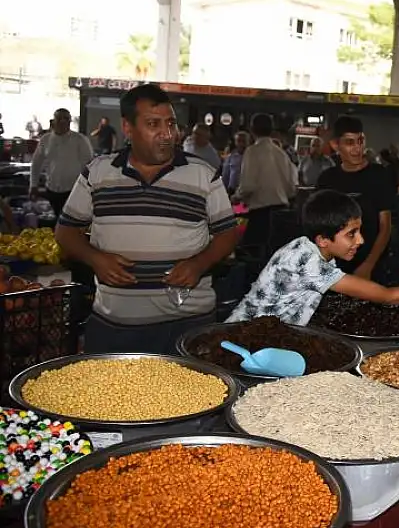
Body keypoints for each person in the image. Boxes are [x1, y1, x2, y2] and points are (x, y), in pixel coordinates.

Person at [55, 84, 239, 354]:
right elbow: (65, 231)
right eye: (153, 124)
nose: (167, 134)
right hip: (114, 326)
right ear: (128, 128)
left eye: (171, 124)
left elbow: (227, 234)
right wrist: (96, 258)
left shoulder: (202, 174)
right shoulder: (98, 173)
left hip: (187, 325)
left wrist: (199, 264)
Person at [227, 190, 399, 324]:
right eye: (351, 234)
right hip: (241, 341)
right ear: (324, 239)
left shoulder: (311, 247)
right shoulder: (308, 262)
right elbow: (387, 296)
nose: (361, 240)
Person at [315, 116, 394, 280]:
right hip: (334, 267)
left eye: (360, 141)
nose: (357, 148)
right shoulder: (326, 179)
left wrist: (368, 266)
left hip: (371, 264)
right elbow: (319, 226)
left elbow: (385, 227)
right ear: (335, 145)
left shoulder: (379, 175)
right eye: (350, 143)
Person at [236, 113, 298, 250]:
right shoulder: (281, 153)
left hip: (261, 215)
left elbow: (248, 186)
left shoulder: (252, 151)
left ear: (251, 130)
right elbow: (291, 189)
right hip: (282, 214)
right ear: (272, 130)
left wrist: (235, 197)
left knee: (254, 259)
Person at [30, 108, 94, 217]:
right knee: (55, 221)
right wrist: (33, 185)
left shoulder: (80, 140)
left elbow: (90, 165)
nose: (63, 121)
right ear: (53, 121)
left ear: (70, 122)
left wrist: (89, 189)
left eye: (66, 119)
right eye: (59, 118)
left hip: (75, 191)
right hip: (52, 189)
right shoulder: (45, 140)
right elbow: (36, 164)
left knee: (72, 223)